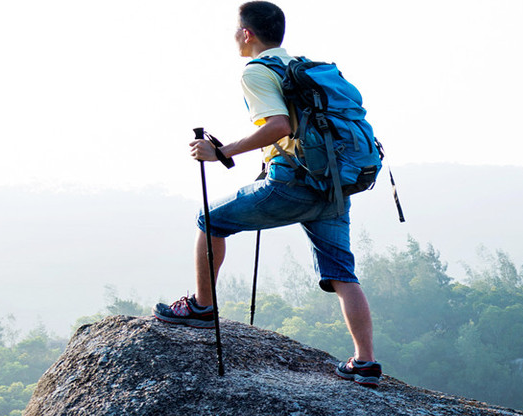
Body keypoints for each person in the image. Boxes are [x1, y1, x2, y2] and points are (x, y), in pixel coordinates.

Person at [154, 1, 382, 388]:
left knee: (210, 220)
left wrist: (222, 151)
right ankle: (366, 363)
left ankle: (202, 307)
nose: (233, 36)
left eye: (235, 30)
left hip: (294, 182)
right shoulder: (305, 69)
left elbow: (277, 125)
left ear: (247, 33)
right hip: (333, 184)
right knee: (342, 271)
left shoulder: (258, 72)